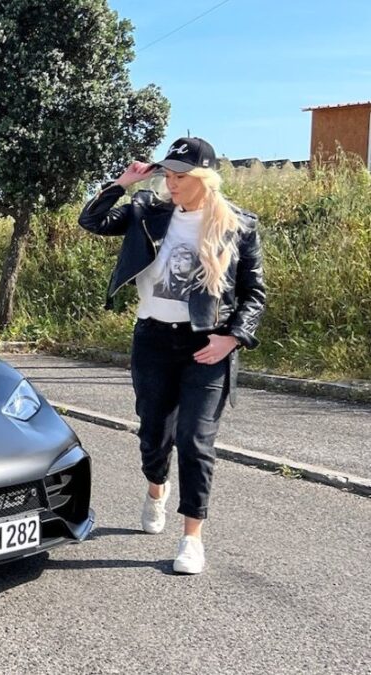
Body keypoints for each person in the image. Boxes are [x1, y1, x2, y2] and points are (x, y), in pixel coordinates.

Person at [77, 137, 266, 574]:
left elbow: (253, 293)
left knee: (195, 441)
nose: (172, 183)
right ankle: (155, 486)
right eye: (169, 175)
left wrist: (233, 338)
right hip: (153, 340)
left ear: (204, 179)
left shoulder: (237, 225)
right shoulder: (148, 210)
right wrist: (121, 184)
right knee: (154, 434)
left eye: (181, 177)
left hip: (208, 345)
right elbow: (92, 220)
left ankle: (191, 540)